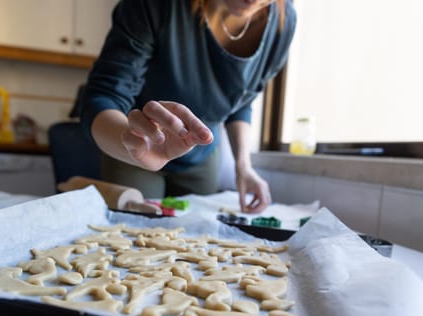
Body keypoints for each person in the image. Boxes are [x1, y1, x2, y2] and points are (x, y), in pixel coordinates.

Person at [78, 0, 296, 213]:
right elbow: (104, 95)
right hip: (133, 143)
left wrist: (243, 165)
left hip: (200, 154)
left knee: (196, 235)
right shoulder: (154, 5)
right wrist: (132, 142)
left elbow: (241, 100)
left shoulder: (283, 23)